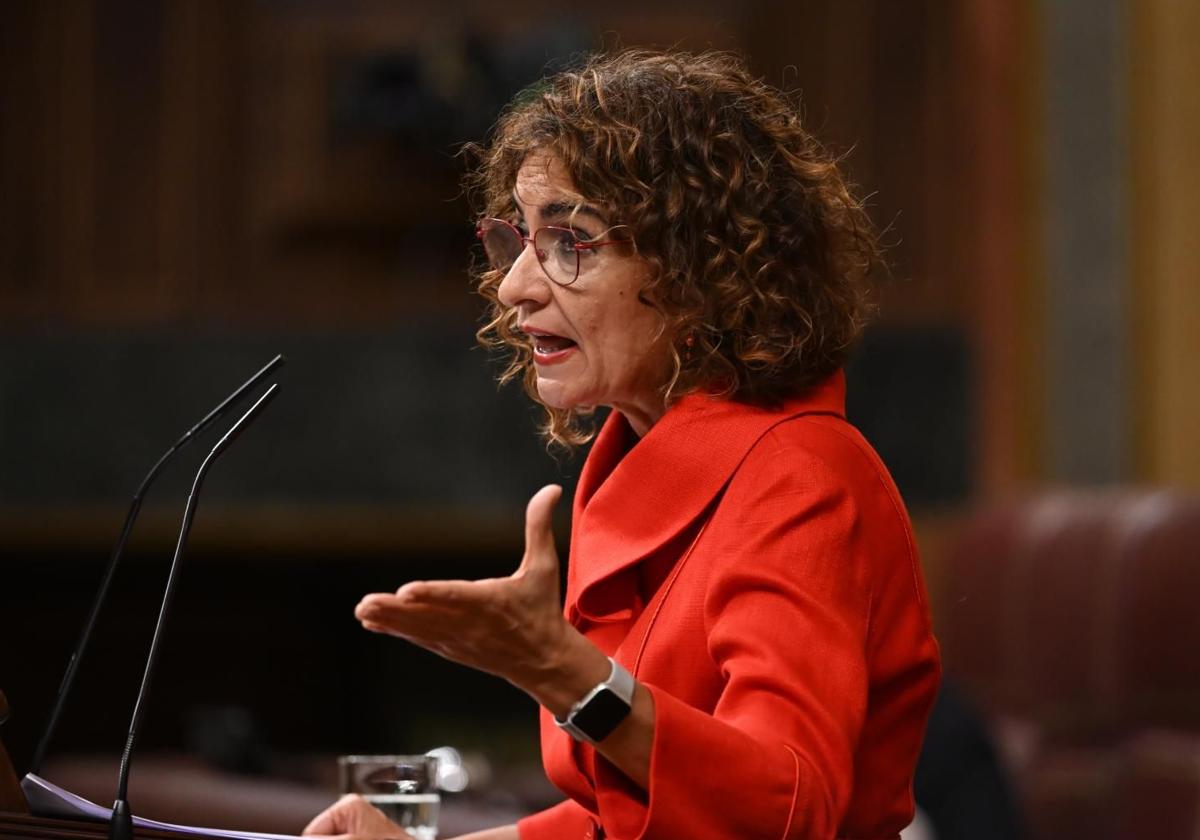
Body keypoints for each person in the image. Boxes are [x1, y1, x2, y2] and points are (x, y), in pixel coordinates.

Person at [304, 49, 941, 840]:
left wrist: (561, 671)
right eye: (519, 239)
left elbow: (789, 811)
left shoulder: (800, 477)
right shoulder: (633, 465)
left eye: (570, 242)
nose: (514, 287)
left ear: (701, 265)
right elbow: (623, 820)